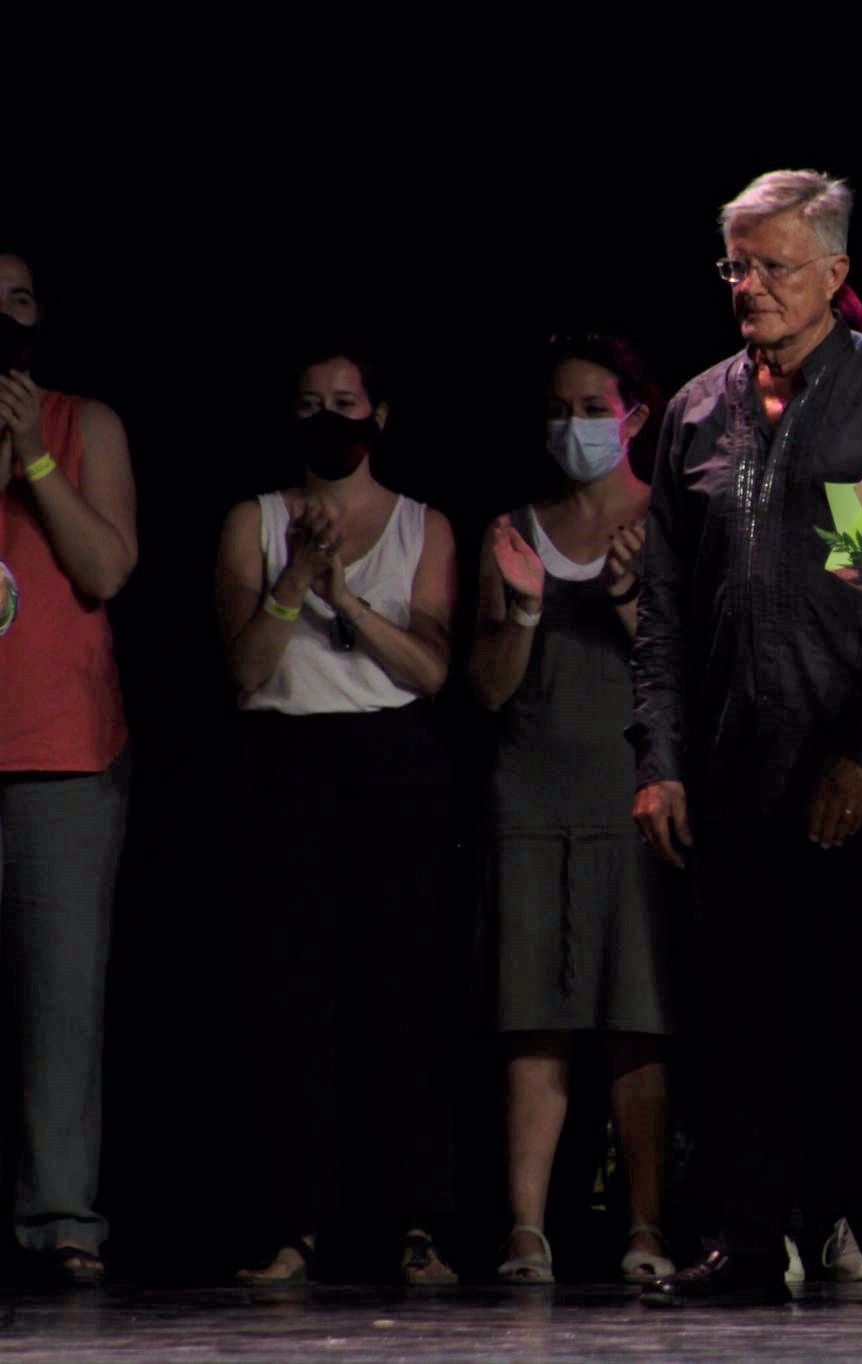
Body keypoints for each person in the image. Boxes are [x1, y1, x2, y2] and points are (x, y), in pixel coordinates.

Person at [632, 169, 862, 1308]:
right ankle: (745, 1233)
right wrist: (660, 756)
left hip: (859, 758)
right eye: (734, 264)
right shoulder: (690, 409)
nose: (748, 286)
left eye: (770, 265)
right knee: (742, 1015)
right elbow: (664, 601)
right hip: (732, 760)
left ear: (833, 274)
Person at [215, 345, 460, 1285]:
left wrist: (344, 596)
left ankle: (419, 1223)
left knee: (404, 993)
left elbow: (431, 671)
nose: (330, 416)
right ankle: (296, 1225)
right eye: (312, 403)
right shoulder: (256, 520)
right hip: (286, 763)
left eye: (346, 402)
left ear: (379, 415)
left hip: (392, 763)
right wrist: (294, 578)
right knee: (293, 994)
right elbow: (244, 670)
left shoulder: (423, 525)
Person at [473, 333, 674, 1286]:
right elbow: (487, 687)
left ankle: (646, 1225)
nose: (574, 427)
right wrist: (518, 611)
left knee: (637, 1017)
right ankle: (526, 1229)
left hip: (630, 795)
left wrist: (632, 595)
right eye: (560, 409)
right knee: (533, 1016)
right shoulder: (514, 530)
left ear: (633, 416)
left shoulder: (665, 517)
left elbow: (682, 676)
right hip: (532, 792)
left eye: (593, 408)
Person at [0, 248, 138, 1286]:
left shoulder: (82, 423)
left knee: (60, 1001)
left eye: (19, 297)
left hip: (62, 752)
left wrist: (32, 463)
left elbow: (106, 568)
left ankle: (60, 1217)